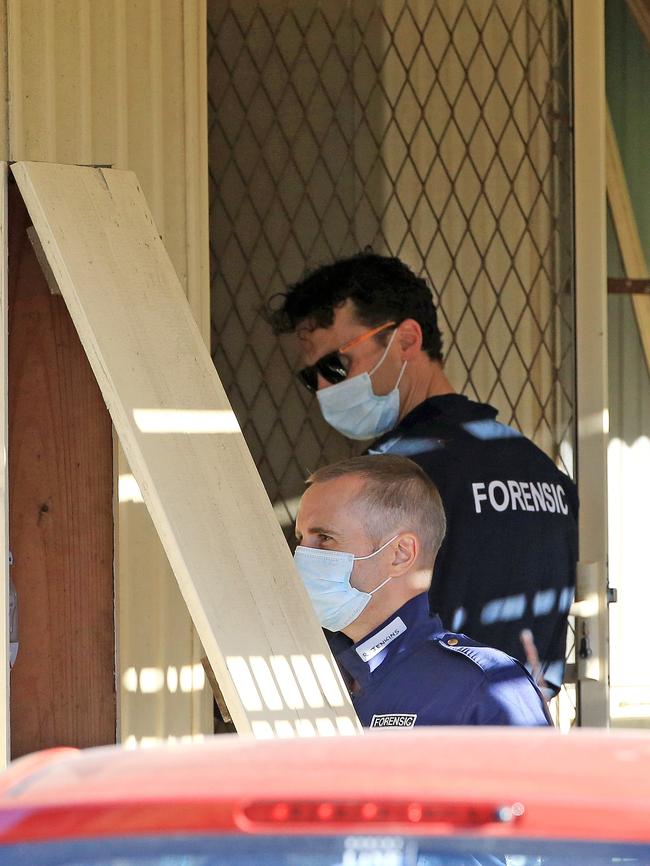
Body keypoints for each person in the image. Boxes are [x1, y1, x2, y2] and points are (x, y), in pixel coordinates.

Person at [268, 252, 578, 695]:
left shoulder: (391, 478)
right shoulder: (538, 467)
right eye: (311, 377)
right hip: (522, 726)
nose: (323, 388)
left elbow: (358, 629)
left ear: (406, 340)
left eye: (335, 366)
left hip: (419, 724)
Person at [293, 454, 552, 727]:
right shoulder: (303, 675)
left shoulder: (485, 686)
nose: (301, 555)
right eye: (300, 538)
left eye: (324, 538)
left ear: (400, 554)